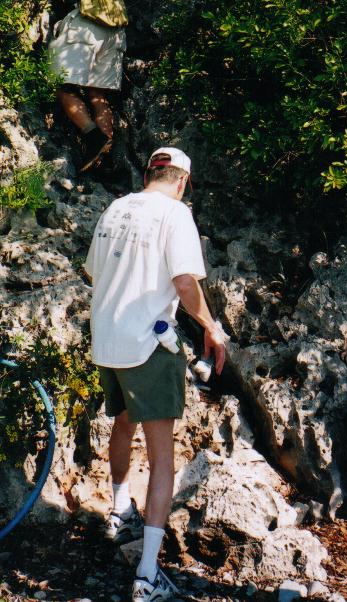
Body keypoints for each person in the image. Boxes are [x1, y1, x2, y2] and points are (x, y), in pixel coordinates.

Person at [84, 147, 226, 602]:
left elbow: (92, 272)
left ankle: (120, 509)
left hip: (107, 342)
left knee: (124, 422)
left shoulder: (115, 208)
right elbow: (185, 282)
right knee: (163, 457)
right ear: (183, 181)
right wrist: (211, 327)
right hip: (148, 343)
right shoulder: (175, 214)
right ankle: (147, 576)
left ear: (150, 173)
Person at [48, 0, 128, 172]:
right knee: (97, 93)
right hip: (114, 27)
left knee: (62, 86)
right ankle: (102, 158)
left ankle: (92, 134)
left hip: (84, 22)